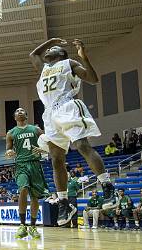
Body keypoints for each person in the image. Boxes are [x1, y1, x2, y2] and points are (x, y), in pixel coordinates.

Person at [29, 38, 115, 226]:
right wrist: (50, 40)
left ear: (61, 54)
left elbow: (93, 79)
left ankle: (108, 187)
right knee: (56, 159)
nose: (50, 49)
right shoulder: (44, 68)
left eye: (54, 47)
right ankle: (64, 203)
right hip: (49, 114)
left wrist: (84, 58)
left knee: (82, 145)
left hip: (67, 106)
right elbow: (33, 54)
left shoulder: (69, 63)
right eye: (49, 47)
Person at [5, 107, 49, 239]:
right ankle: (22, 225)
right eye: (17, 110)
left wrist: (43, 150)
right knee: (23, 189)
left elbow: (48, 145)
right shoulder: (11, 133)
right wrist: (9, 153)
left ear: (26, 115)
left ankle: (33, 226)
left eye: (22, 110)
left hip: (35, 164)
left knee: (35, 197)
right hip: (21, 165)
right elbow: (7, 152)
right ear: (14, 117)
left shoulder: (35, 129)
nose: (19, 111)